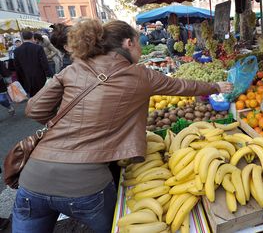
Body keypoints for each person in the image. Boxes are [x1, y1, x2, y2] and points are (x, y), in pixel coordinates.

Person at [12, 19, 233, 233]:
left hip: (33, 180)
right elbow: (182, 86)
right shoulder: (140, 75)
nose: (140, 48)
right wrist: (216, 86)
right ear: (129, 43)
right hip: (86, 185)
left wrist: (67, 124)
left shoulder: (74, 68)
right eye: (139, 43)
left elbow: (34, 110)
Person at [13, 31, 51, 97]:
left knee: (33, 98)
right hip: (40, 77)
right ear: (32, 37)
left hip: (26, 78)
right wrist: (49, 75)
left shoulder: (17, 51)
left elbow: (17, 67)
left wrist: (21, 81)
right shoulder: (38, 48)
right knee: (44, 96)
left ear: (22, 38)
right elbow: (44, 63)